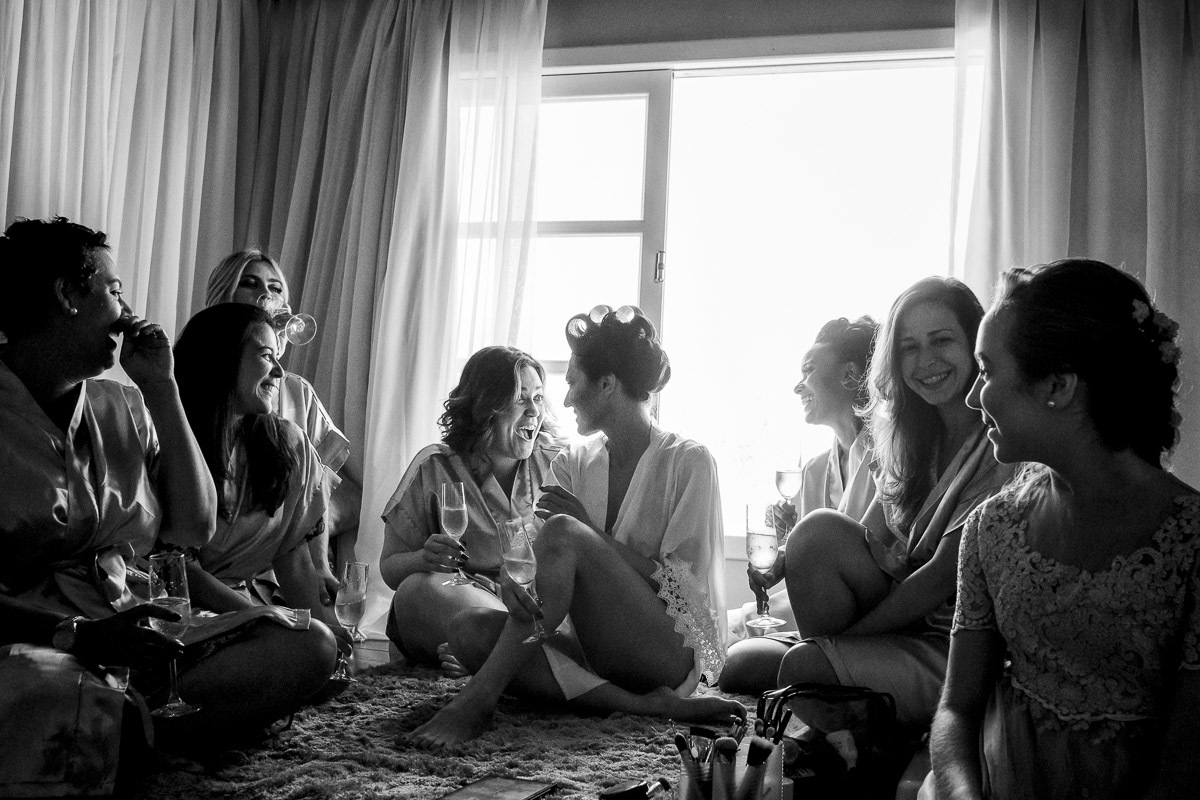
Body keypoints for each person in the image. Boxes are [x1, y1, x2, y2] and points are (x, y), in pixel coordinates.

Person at [0, 218, 336, 788]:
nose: (126, 312)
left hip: (139, 626)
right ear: (66, 295)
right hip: (36, 635)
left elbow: (192, 528)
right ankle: (123, 726)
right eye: (114, 291)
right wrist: (77, 634)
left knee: (308, 644)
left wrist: (161, 387)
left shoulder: (125, 405)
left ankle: (134, 728)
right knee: (55, 689)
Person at [404, 305, 744, 748]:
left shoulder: (689, 462)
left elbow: (687, 594)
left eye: (571, 382)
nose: (563, 401)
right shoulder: (573, 463)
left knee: (565, 531)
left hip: (666, 651)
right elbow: (537, 561)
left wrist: (591, 536)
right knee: (467, 629)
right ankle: (641, 706)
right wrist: (515, 584)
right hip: (593, 650)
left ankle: (477, 699)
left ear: (606, 385)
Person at [927, 260, 1199, 800]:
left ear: (1058, 385)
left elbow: (1187, 760)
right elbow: (956, 709)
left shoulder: (1191, 543)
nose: (973, 396)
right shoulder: (991, 528)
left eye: (987, 371)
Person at [771, 277, 1014, 729]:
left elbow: (940, 577)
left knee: (800, 669)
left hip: (958, 640)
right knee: (815, 534)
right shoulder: (908, 437)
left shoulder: (1000, 441)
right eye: (909, 348)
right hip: (904, 617)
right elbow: (865, 538)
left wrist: (842, 642)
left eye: (942, 341)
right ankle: (849, 712)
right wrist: (786, 559)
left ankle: (858, 719)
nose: (926, 361)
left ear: (975, 344)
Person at [173, 303, 352, 652]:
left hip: (243, 613)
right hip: (173, 613)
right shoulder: (169, 438)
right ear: (221, 358)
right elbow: (181, 571)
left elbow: (293, 559)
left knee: (322, 645)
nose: (280, 372)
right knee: (311, 645)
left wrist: (326, 628)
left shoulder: (289, 444)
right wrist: (262, 616)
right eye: (267, 356)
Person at [379, 345, 562, 675]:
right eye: (520, 399)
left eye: (537, 397)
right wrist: (423, 559)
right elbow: (390, 569)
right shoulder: (434, 466)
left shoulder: (557, 462)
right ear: (485, 406)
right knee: (415, 591)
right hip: (463, 600)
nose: (534, 411)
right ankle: (500, 653)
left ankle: (483, 653)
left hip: (538, 608)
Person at [720, 315, 878, 691]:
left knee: (727, 646)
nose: (797, 386)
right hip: (811, 611)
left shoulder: (890, 454)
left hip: (868, 616)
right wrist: (784, 553)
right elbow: (804, 568)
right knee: (728, 654)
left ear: (850, 376)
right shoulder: (815, 469)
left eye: (808, 370)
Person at [207, 249, 361, 602]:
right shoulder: (187, 382)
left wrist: (298, 530)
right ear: (221, 297)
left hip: (289, 567)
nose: (266, 295)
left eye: (275, 288)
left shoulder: (296, 392)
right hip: (216, 568)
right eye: (250, 283)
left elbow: (337, 491)